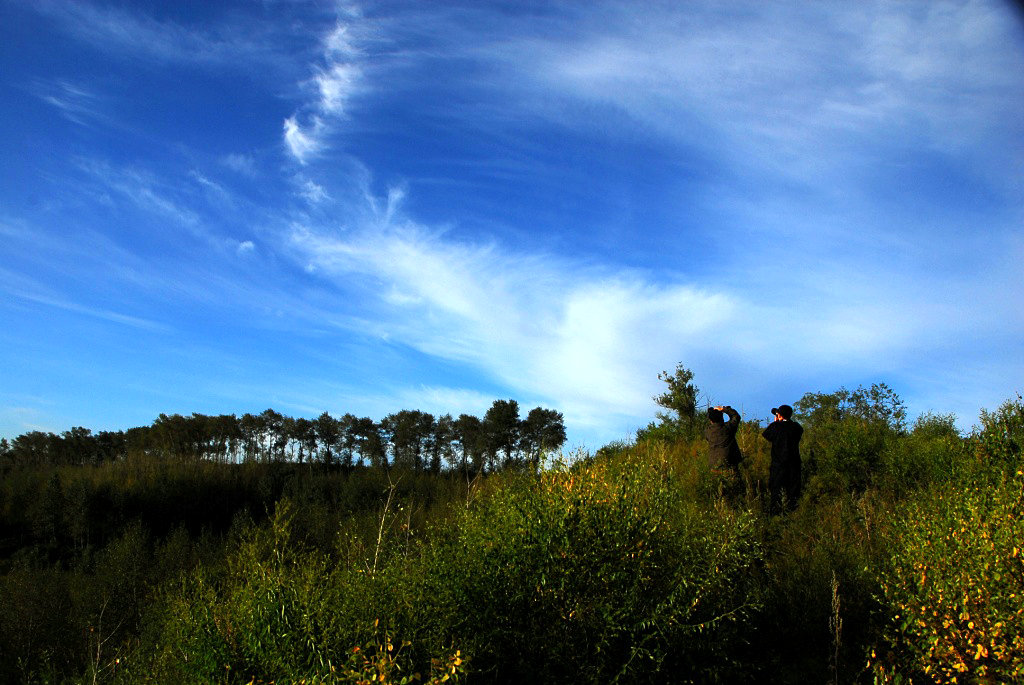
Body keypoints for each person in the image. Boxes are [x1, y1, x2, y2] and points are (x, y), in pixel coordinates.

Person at [762, 404, 803, 514]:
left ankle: (776, 512)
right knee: (793, 489)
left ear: (779, 415)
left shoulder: (776, 427)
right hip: (794, 463)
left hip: (778, 464)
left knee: (776, 489)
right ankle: (793, 512)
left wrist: (776, 422)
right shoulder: (796, 427)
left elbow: (766, 435)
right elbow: (797, 430)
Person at [704, 405, 742, 476]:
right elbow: (736, 417)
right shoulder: (728, 428)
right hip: (729, 467)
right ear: (722, 417)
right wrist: (724, 409)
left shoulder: (707, 431)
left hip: (714, 467)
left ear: (710, 420)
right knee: (735, 486)